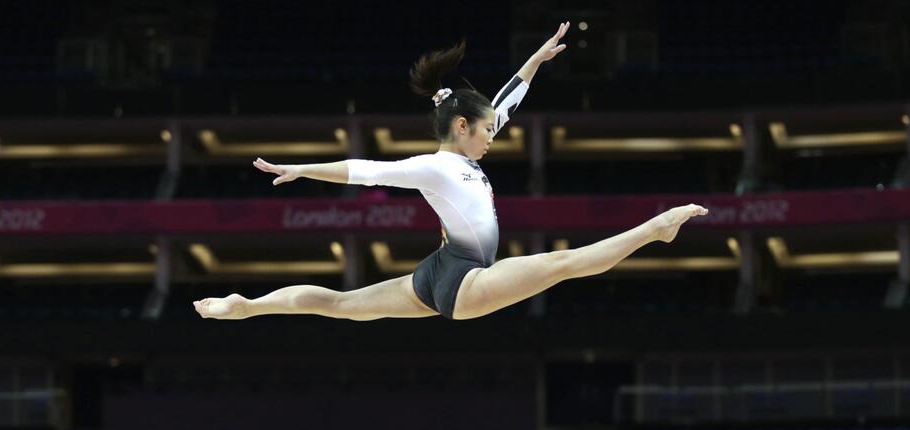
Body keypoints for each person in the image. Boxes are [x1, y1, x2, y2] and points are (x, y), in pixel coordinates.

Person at [193, 22, 707, 322]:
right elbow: (366, 171)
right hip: (463, 278)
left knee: (342, 304)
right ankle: (654, 230)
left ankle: (247, 306)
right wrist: (303, 168)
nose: (493, 136)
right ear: (462, 126)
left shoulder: (461, 155)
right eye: (485, 131)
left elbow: (505, 101)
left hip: (436, 274)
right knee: (563, 264)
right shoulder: (436, 167)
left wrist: (535, 62)